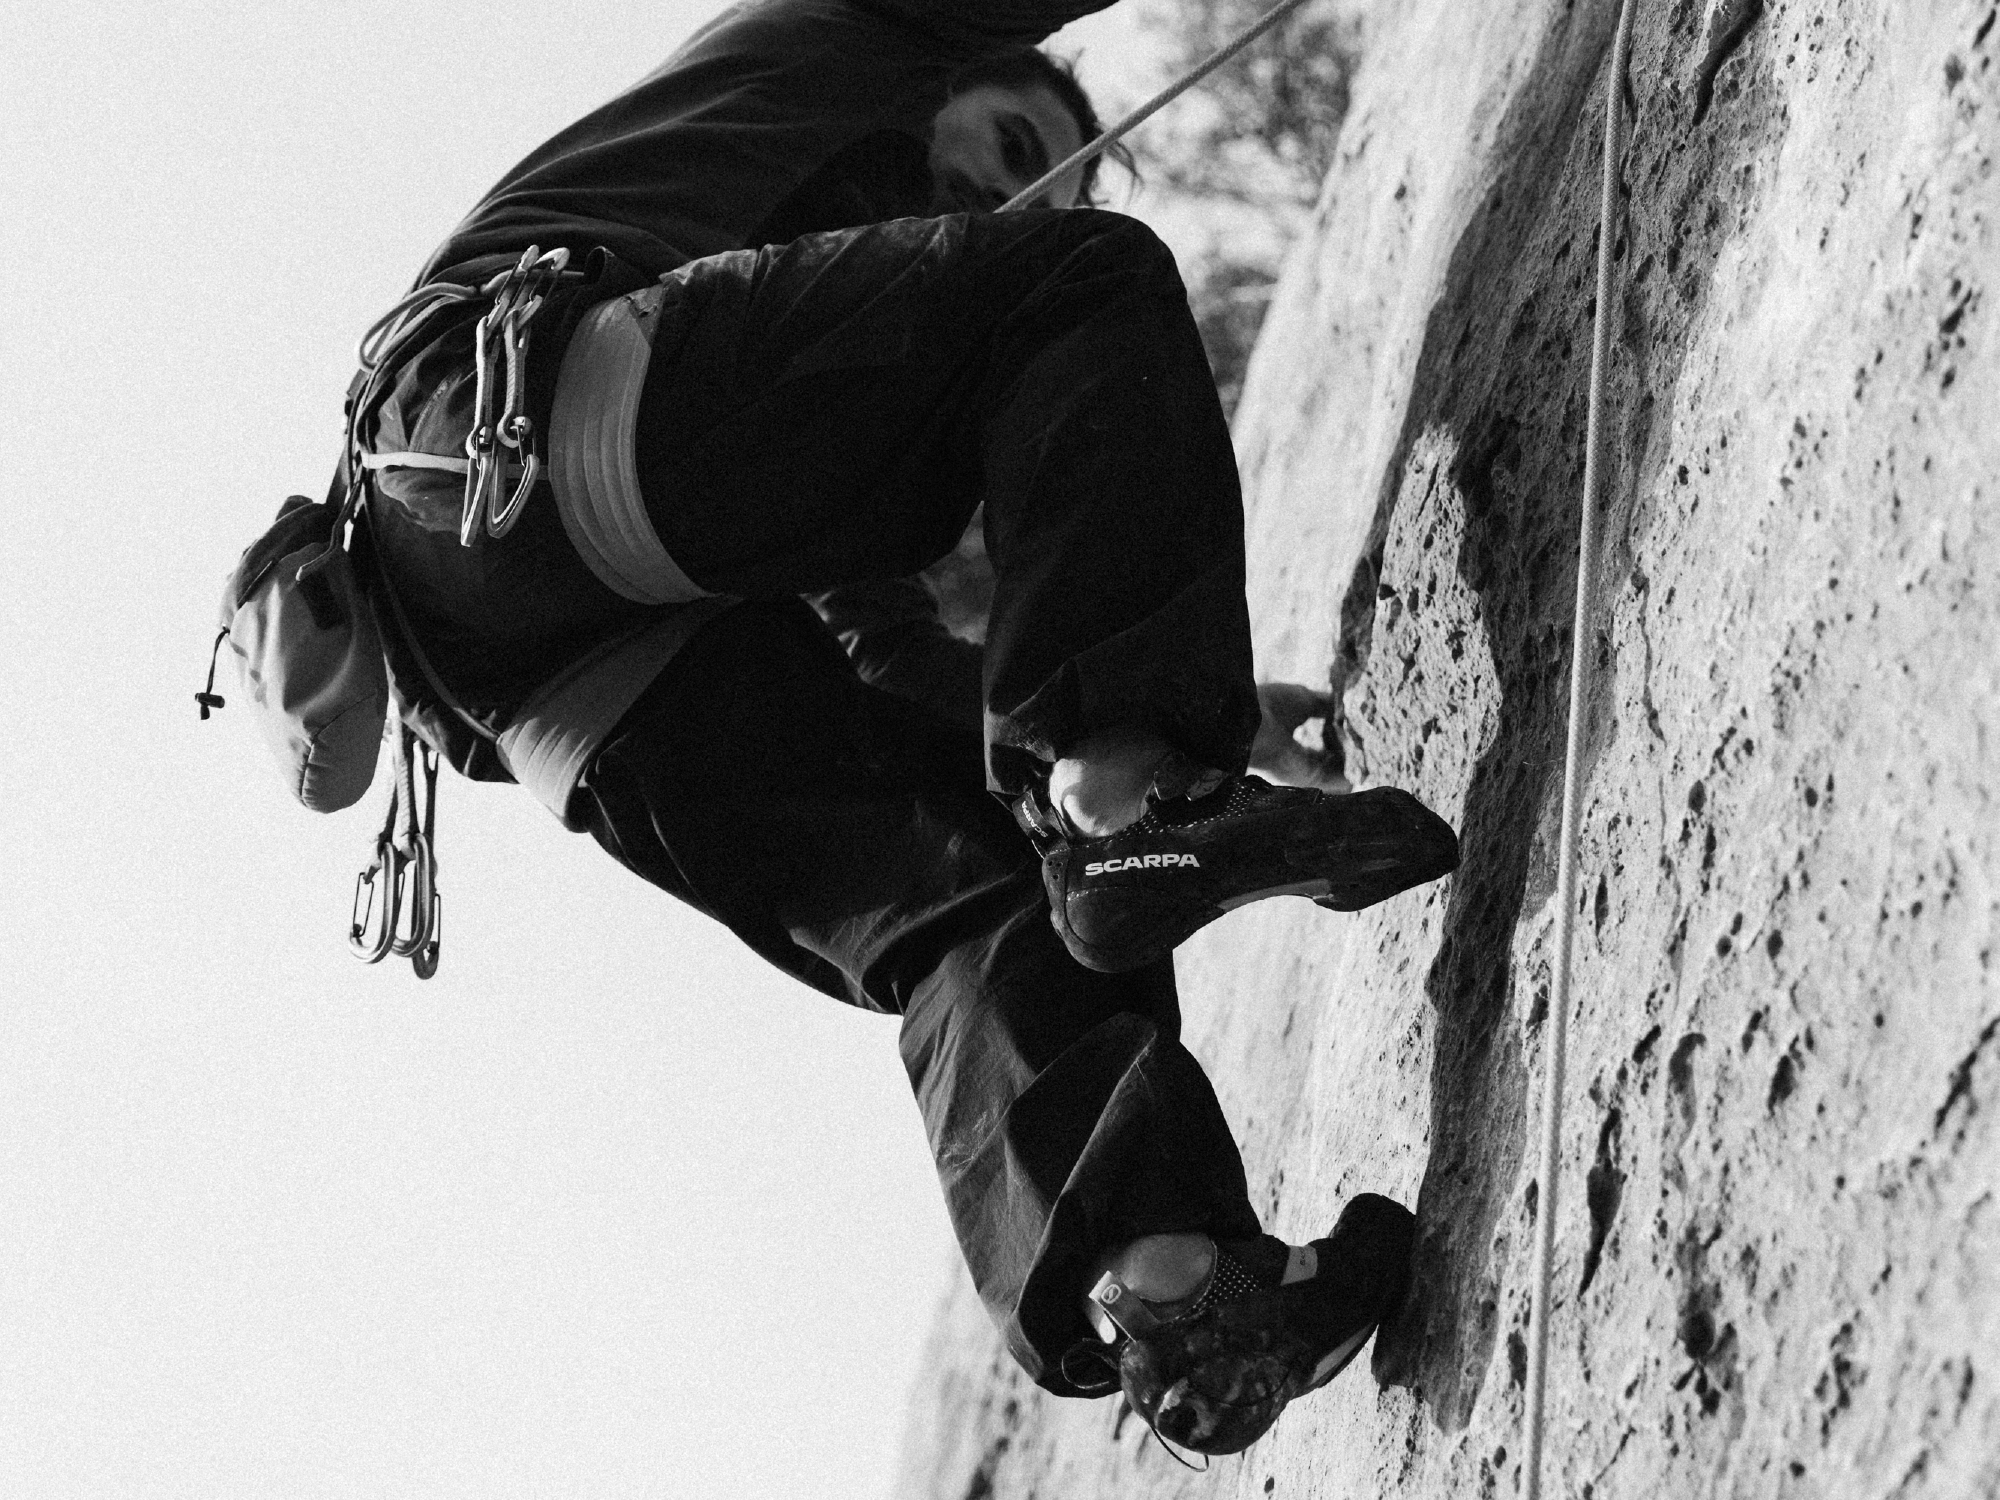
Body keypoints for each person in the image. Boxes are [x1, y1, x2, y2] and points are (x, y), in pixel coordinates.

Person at [352, 0, 1458, 1455]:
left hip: (556, 677)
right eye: (1007, 146)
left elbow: (892, 655)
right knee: (1076, 283)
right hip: (510, 413)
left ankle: (1174, 1288)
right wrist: (1125, 736)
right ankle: (1129, 804)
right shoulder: (840, 49)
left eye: (1042, 178)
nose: (999, 200)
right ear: (940, 84)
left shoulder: (796, 365)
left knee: (965, 887)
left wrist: (1221, 712)